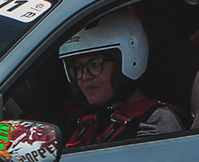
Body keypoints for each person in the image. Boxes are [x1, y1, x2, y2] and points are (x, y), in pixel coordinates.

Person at [59, 9, 188, 147]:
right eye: (78, 67)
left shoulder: (157, 121)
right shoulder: (84, 125)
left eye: (95, 64)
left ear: (128, 61)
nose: (85, 76)